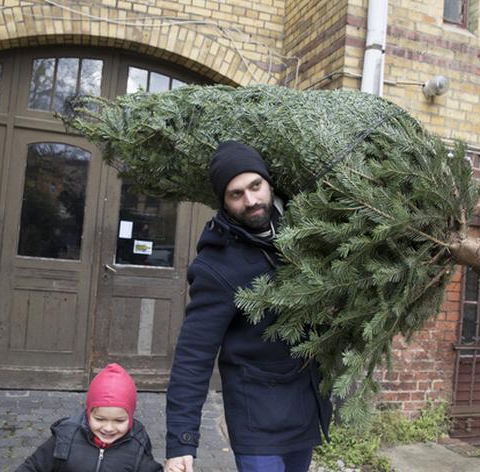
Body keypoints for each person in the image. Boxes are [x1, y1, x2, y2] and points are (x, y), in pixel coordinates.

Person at [164, 141, 332, 472]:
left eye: (256, 186)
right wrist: (181, 442)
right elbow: (192, 357)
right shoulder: (216, 267)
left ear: (269, 183)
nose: (251, 200)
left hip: (303, 408)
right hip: (257, 421)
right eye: (236, 193)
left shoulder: (303, 234)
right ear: (224, 203)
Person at [17, 363, 162, 472]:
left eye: (119, 421)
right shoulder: (66, 435)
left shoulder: (137, 444)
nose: (108, 428)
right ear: (89, 413)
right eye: (100, 419)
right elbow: (33, 466)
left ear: (130, 417)